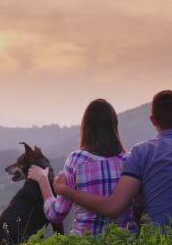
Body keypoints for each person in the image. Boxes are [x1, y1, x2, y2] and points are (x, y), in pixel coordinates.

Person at [53, 90, 172, 233]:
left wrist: (64, 190)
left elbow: (114, 207)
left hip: (157, 238)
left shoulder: (141, 152)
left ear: (152, 120)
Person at [27, 99, 137, 235]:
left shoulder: (77, 160)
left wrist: (43, 180)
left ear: (86, 127)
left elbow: (56, 214)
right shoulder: (130, 160)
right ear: (114, 126)